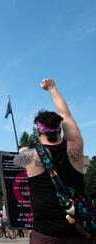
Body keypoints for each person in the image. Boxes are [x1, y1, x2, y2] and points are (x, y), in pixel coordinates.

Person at [14, 78, 95, 243]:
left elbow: (17, 161)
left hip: (47, 234)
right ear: (59, 128)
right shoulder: (75, 145)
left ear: (38, 132)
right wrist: (52, 88)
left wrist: (23, 151)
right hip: (81, 231)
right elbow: (66, 114)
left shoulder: (31, 156)